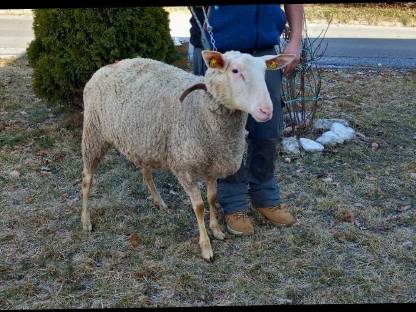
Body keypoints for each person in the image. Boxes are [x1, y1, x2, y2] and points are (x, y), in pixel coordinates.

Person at [189, 4, 304, 235]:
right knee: (224, 134)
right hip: (221, 51)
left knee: (267, 125)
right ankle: (234, 204)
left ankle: (265, 196)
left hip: (262, 54)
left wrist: (296, 39)